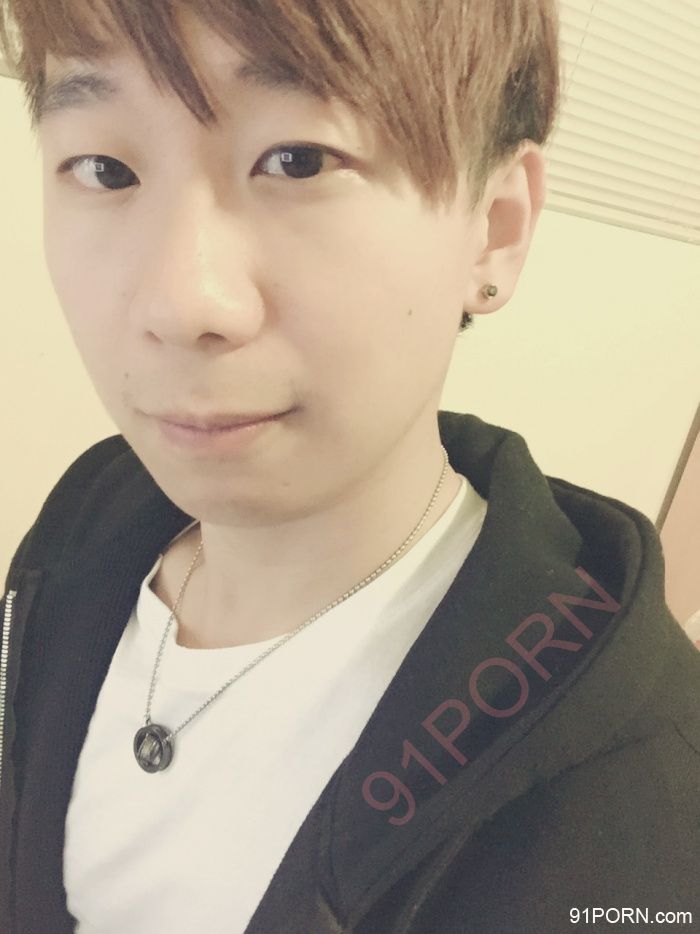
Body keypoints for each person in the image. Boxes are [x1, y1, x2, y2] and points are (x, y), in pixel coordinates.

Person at [1, 2, 698, 932]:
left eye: (299, 160)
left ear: (494, 227)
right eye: (104, 168)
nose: (180, 303)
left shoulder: (640, 810)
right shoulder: (91, 514)